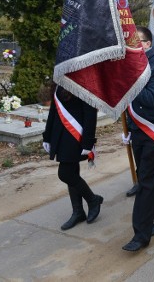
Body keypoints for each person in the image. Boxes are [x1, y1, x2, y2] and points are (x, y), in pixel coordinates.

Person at [121, 26, 154, 252]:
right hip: (138, 131)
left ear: (148, 44)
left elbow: (152, 99)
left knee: (144, 182)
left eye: (138, 41)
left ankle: (140, 235)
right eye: (130, 42)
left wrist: (131, 82)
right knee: (149, 178)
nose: (133, 45)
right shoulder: (131, 67)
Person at [42, 85, 103, 231]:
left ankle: (92, 200)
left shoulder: (83, 82)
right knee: (72, 174)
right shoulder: (59, 81)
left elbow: (90, 114)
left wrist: (88, 142)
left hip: (75, 137)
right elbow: (53, 112)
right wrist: (47, 136)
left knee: (65, 174)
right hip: (61, 136)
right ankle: (78, 212)